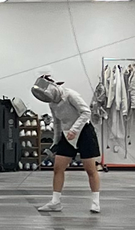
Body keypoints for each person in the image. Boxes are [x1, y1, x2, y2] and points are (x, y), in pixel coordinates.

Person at [33, 72, 101, 214]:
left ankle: (96, 202)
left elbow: (86, 112)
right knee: (58, 167)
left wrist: (75, 130)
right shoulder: (52, 103)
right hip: (67, 134)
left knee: (90, 169)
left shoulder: (70, 95)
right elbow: (57, 123)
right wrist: (55, 142)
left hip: (84, 132)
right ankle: (55, 202)